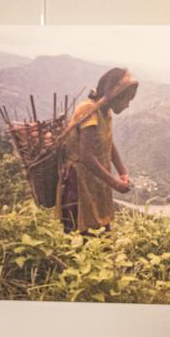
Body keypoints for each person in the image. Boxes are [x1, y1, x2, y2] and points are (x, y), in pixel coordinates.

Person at [57, 68, 137, 233]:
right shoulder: (88, 110)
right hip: (79, 183)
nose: (127, 105)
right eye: (126, 100)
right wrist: (115, 183)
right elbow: (86, 156)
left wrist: (122, 171)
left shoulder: (104, 111)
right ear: (116, 96)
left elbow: (108, 141)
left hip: (96, 181)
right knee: (80, 235)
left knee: (100, 235)